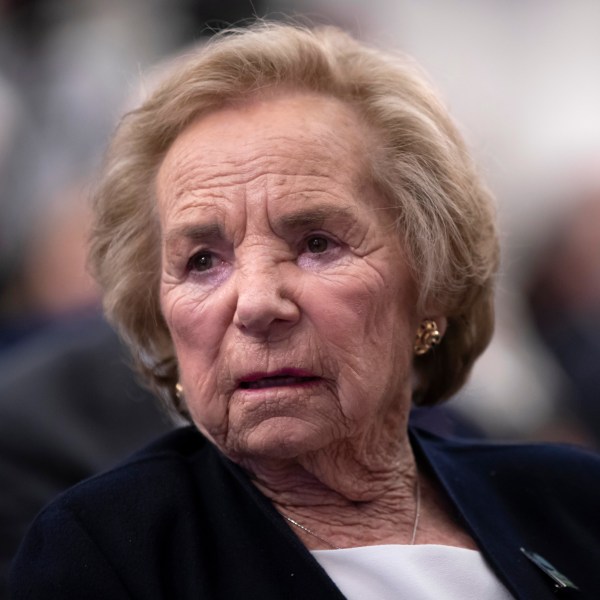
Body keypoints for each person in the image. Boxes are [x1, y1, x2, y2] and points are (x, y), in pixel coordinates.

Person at [10, 22, 600, 599]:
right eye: (201, 262)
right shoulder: (109, 549)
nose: (258, 303)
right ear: (160, 316)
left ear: (431, 283)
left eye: (317, 244)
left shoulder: (572, 502)